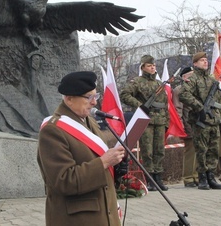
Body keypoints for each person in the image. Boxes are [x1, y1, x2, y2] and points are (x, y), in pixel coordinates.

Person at [37, 71, 124, 226]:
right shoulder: (52, 131)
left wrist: (116, 168)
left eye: (95, 96)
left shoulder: (91, 123)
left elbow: (98, 168)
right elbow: (63, 180)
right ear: (69, 99)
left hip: (104, 216)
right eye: (88, 97)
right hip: (77, 219)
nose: (94, 102)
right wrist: (103, 162)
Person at [120, 55, 169, 191]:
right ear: (142, 67)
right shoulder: (137, 82)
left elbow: (165, 104)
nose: (152, 67)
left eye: (153, 65)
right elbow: (124, 94)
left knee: (159, 150)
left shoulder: (159, 84)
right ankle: (149, 179)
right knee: (147, 151)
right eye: (149, 65)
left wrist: (167, 122)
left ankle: (158, 178)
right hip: (145, 120)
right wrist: (139, 105)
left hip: (160, 120)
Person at [178, 52, 221, 190]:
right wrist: (199, 107)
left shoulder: (212, 81)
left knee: (213, 150)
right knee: (201, 150)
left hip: (213, 120)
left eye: (206, 60)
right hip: (201, 121)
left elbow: (219, 100)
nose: (205, 62)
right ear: (195, 64)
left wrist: (220, 118)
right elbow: (183, 94)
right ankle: (202, 178)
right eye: (201, 60)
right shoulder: (193, 79)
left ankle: (211, 175)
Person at [173, 66, 199, 188]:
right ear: (184, 77)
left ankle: (197, 176)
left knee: (199, 151)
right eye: (190, 75)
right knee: (190, 152)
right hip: (188, 124)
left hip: (199, 123)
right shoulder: (179, 90)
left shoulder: (197, 88)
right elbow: (178, 109)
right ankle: (188, 178)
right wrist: (181, 126)